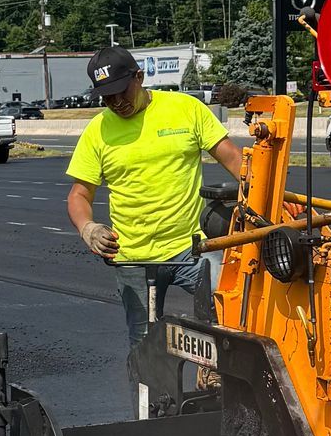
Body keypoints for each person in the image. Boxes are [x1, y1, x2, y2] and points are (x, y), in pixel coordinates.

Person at [66, 45, 247, 343]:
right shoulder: (97, 130)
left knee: (226, 315)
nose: (116, 103)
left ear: (139, 77)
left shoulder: (185, 109)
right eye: (106, 97)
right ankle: (148, 390)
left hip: (193, 247)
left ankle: (213, 375)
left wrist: (276, 197)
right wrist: (88, 228)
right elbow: (78, 195)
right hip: (133, 257)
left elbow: (233, 160)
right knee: (144, 344)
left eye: (121, 92)